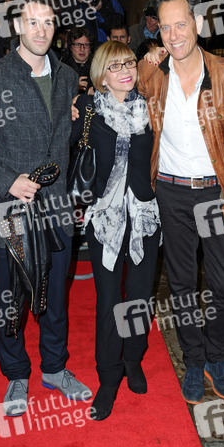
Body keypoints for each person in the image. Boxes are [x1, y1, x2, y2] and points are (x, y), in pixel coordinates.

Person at [0, 0, 90, 417]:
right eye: (32, 22)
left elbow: (60, 137)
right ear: (16, 26)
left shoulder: (66, 77)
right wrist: (7, 180)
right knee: (10, 298)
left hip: (56, 207)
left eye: (48, 22)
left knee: (55, 295)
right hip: (10, 210)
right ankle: (15, 373)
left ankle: (55, 368)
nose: (41, 30)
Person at [137, 0, 224, 404]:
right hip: (170, 192)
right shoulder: (150, 73)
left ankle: (217, 359)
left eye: (181, 24)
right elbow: (114, 90)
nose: (173, 35)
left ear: (198, 23)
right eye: (165, 28)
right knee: (182, 284)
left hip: (216, 194)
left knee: (223, 282)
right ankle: (193, 360)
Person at [71, 40, 161, 420]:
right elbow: (65, 148)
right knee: (109, 301)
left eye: (129, 64)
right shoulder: (87, 110)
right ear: (101, 77)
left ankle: (133, 359)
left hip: (144, 218)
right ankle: (108, 378)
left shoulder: (150, 109)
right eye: (115, 66)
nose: (125, 71)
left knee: (139, 297)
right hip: (105, 221)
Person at [64, 27, 94, 93]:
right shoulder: (62, 69)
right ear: (70, 47)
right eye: (78, 45)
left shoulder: (98, 67)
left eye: (86, 45)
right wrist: (74, 89)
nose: (82, 49)